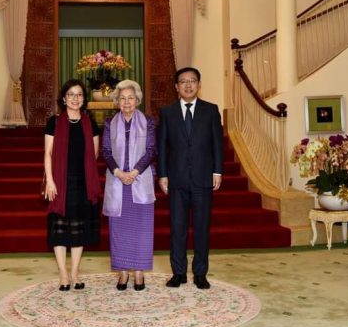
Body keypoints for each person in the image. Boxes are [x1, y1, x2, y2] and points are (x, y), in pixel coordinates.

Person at [157, 67, 223, 290]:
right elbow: (162, 146)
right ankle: (178, 273)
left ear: (199, 85)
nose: (188, 85)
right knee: (177, 228)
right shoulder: (167, 112)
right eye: (183, 82)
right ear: (176, 87)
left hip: (203, 178)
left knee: (202, 228)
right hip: (176, 179)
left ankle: (200, 273)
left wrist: (217, 171)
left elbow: (217, 143)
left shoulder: (211, 110)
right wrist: (163, 174)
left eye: (192, 81)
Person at [44, 79, 102, 291]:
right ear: (63, 98)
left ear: (84, 99)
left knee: (78, 230)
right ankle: (63, 274)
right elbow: (48, 154)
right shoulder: (54, 122)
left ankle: (75, 273)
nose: (75, 98)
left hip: (83, 183)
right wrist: (50, 180)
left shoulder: (90, 123)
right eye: (71, 94)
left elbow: (94, 155)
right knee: (60, 230)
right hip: (59, 182)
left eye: (79, 94)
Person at [101, 80, 156, 292]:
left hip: (140, 180)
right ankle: (123, 271)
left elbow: (151, 150)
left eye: (130, 98)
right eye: (122, 98)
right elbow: (106, 151)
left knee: (142, 229)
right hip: (117, 181)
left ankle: (140, 272)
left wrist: (134, 172)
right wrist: (118, 172)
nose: (126, 102)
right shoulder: (109, 123)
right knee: (119, 229)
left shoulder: (148, 122)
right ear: (117, 101)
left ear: (137, 100)